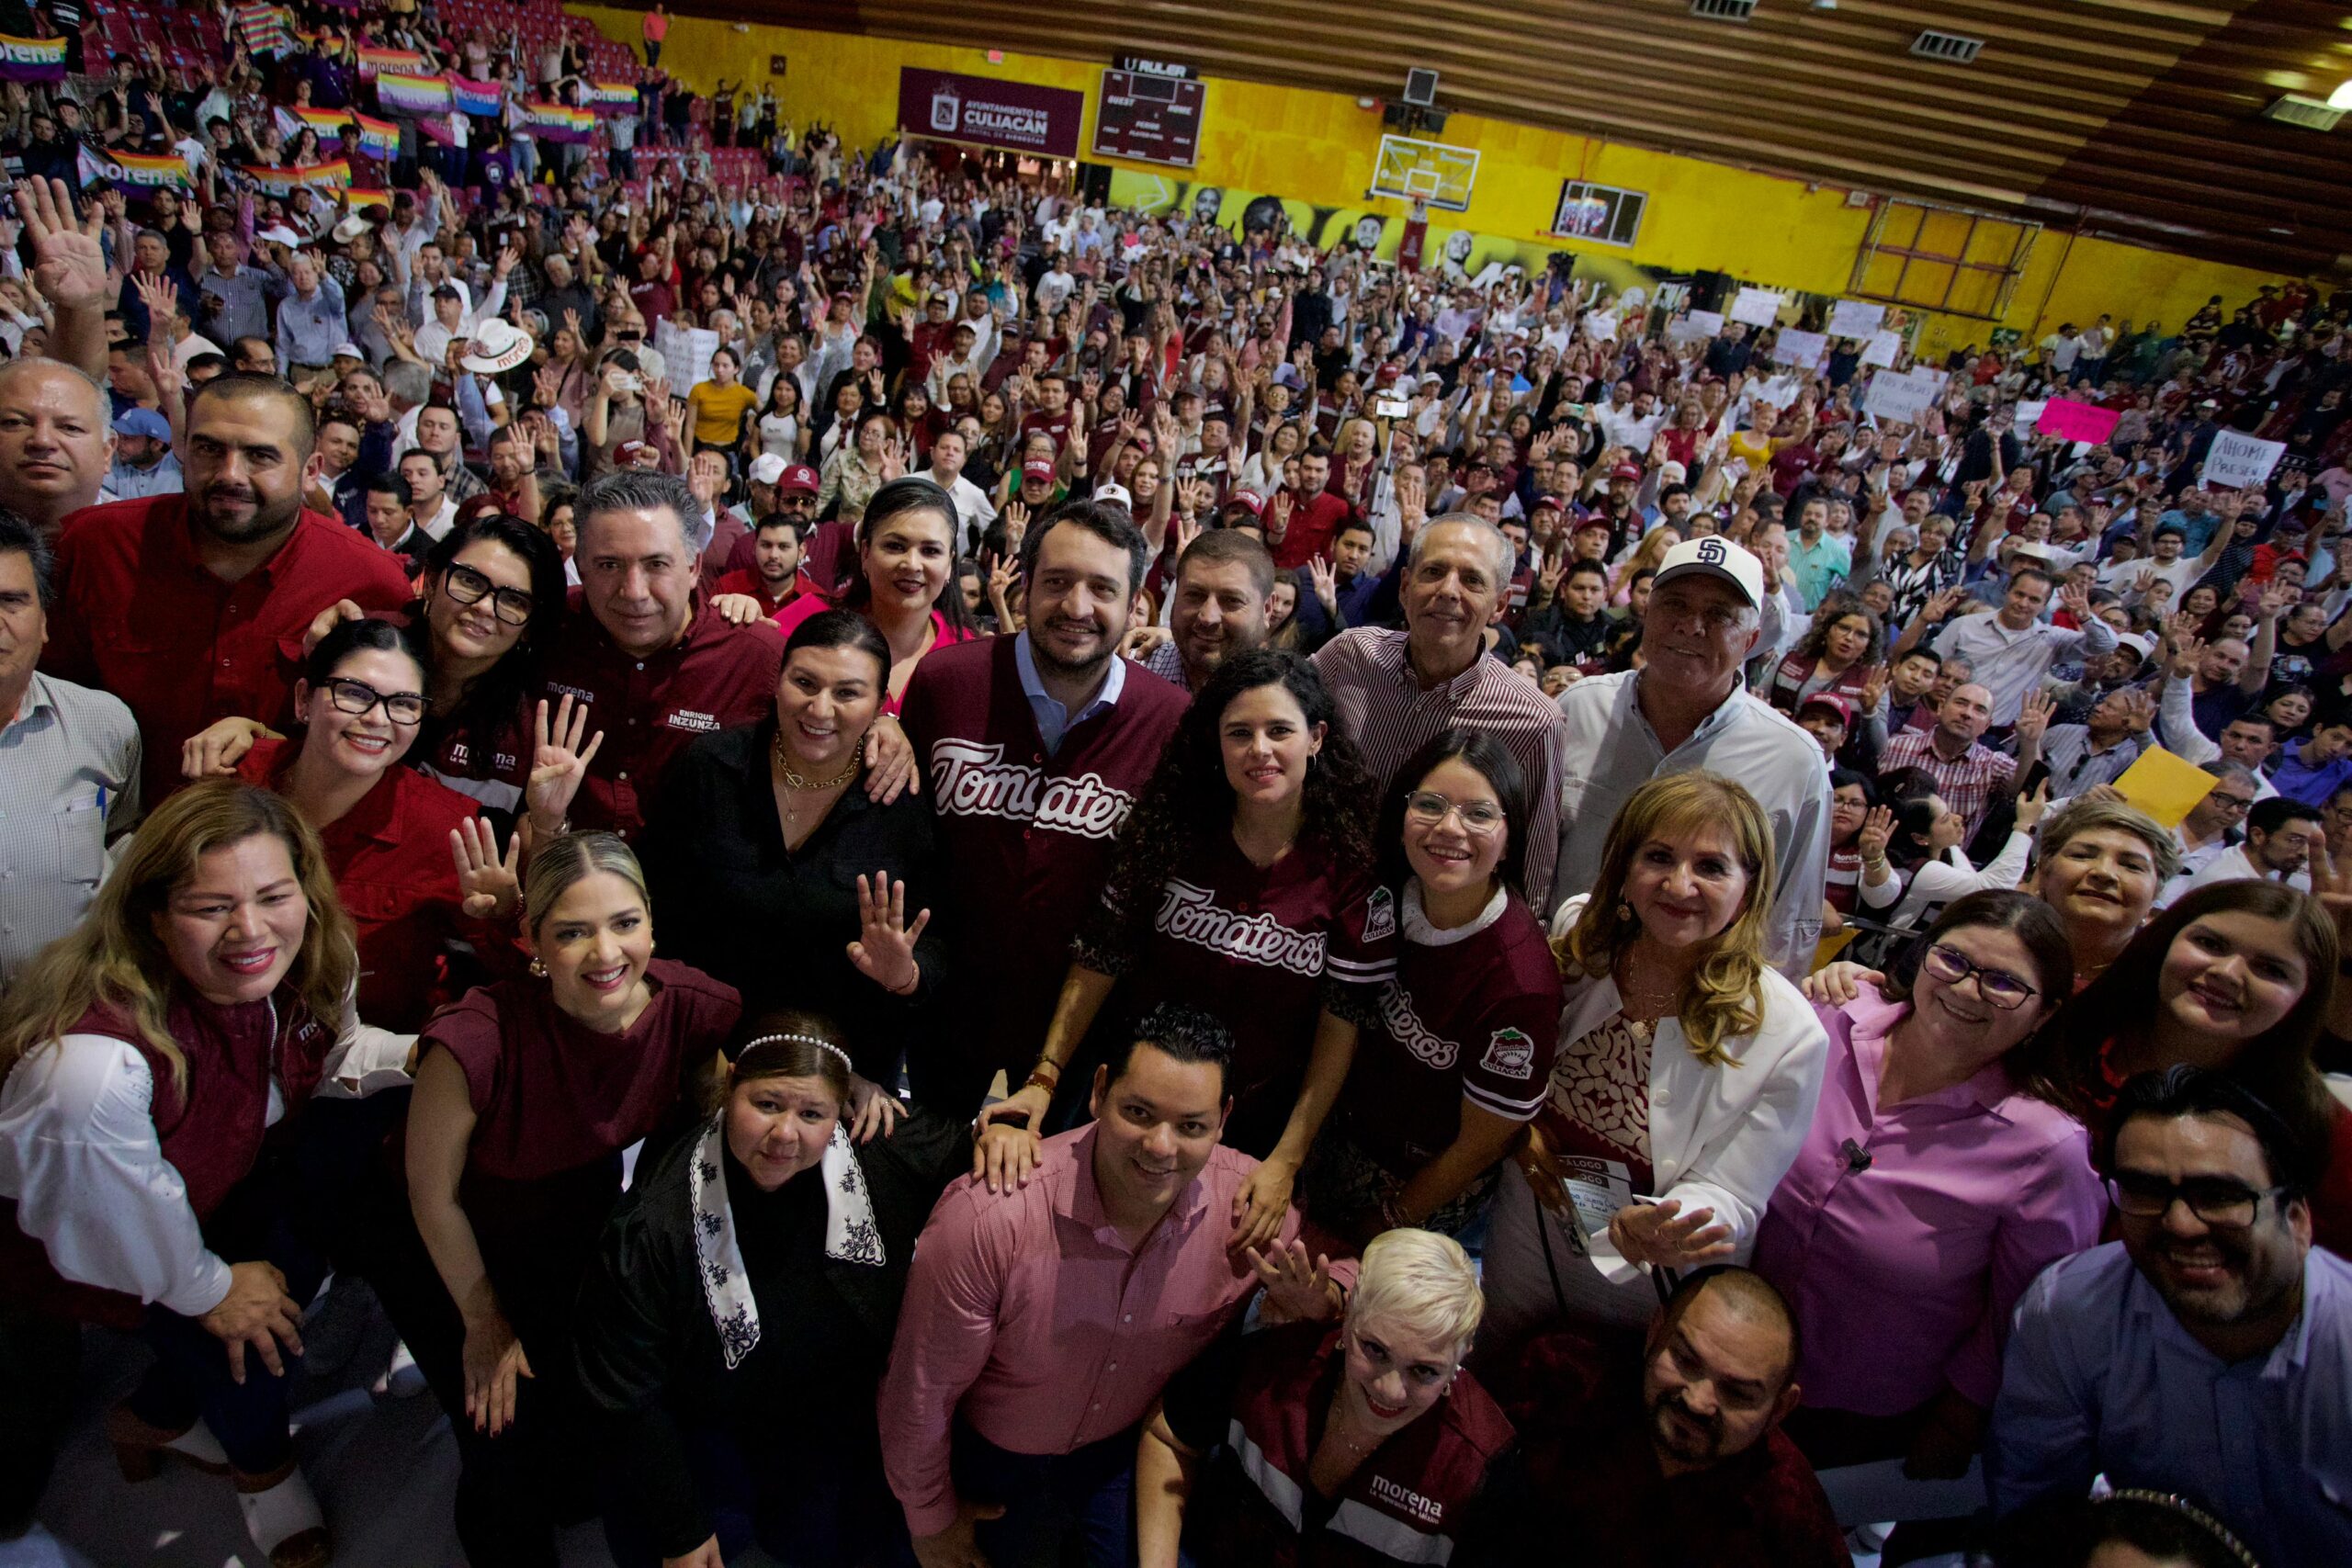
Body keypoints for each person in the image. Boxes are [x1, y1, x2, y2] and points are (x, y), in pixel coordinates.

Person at [0, 782, 413, 1568]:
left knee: (287, 1266)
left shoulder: (312, 957)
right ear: (153, 917)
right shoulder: (93, 1065)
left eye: (273, 894)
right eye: (210, 906)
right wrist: (211, 1288)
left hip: (199, 1189)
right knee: (247, 1333)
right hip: (76, 1246)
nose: (251, 929)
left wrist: (418, 1055)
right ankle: (264, 1465)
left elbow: (327, 1059)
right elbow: (110, 1229)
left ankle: (156, 1412)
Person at [878, 1003, 1340, 1568]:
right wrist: (931, 1523)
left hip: (1123, 1458)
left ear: (1224, 1120)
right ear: (1098, 1091)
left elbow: (1348, 1262)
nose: (1161, 1147)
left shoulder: (1245, 1202)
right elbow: (919, 1396)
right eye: (1139, 1113)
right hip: (987, 1456)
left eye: (1191, 1126)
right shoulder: (991, 1218)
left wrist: (1326, 1297)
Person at [390, 831, 742, 1567]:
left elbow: (727, 1104)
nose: (605, 953)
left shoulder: (693, 1007)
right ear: (532, 941)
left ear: (651, 920)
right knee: (502, 1438)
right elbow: (432, 1199)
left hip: (579, 1233)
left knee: (588, 1429)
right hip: (458, 1247)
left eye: (623, 923)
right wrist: (483, 1317)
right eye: (573, 932)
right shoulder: (475, 1042)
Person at [978, 650, 1387, 1211]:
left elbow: (1340, 1027)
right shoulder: (1168, 834)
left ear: (1316, 738)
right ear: (1215, 743)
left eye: (1280, 730)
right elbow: (1100, 955)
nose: (1259, 750)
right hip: (1139, 1114)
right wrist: (1044, 1078)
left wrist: (1285, 1162)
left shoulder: (1352, 868)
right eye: (1239, 732)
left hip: (1259, 1134)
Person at [573, 1016, 970, 1568]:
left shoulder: (878, 1143)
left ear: (843, 1112)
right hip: (708, 1412)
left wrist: (1003, 1133)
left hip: (830, 1409)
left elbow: (976, 1151)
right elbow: (626, 1392)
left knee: (826, 1545)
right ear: (730, 1085)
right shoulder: (654, 1225)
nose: (786, 1134)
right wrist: (681, 1532)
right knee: (677, 1539)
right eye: (766, 1105)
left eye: (812, 1114)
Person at [1754, 892, 2105, 1476]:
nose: (1967, 989)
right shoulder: (1831, 1018)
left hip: (1858, 1412)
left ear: (2045, 1014)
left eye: (2003, 983)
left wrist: (1959, 1421)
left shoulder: (2047, 1148)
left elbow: (2023, 1317)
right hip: (1728, 1350)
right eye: (1954, 961)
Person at [1482, 773, 1829, 1349]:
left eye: (1712, 867)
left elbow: (1734, 1194)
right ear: (1623, 867)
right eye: (1659, 857)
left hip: (1647, 1265)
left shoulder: (1787, 1033)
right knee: (1499, 1367)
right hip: (1525, 1222)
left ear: (1750, 886)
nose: (1679, 884)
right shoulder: (1582, 939)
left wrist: (1668, 1222)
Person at [893, 498, 1189, 1116]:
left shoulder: (1169, 718)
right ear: (1024, 586)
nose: (1077, 607)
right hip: (945, 1000)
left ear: (1137, 602)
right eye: (1057, 582)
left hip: (1083, 1023)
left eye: (1102, 588)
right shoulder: (948, 681)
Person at [1990, 1066, 2352, 1568]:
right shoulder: (2069, 1312)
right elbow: (2036, 1518)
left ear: (2297, 1219)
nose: (2180, 1223)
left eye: (2221, 1196)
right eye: (2146, 1191)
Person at [41, 373, 414, 810]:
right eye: (208, 449)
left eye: (260, 456)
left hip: (294, 849)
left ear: (311, 471)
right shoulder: (93, 546)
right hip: (112, 837)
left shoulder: (373, 579)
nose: (229, 474)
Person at [641, 610, 943, 1093]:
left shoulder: (902, 799)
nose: (820, 710)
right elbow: (654, 902)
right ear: (778, 681)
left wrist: (904, 975)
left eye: (847, 693)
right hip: (704, 1061)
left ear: (880, 705)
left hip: (845, 1078)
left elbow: (936, 939)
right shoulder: (710, 768)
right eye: (804, 683)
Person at [1313, 730, 1565, 1243]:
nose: (1450, 828)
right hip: (1333, 1144)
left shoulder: (1520, 982)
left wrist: (1386, 1222)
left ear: (1510, 836)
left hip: (1419, 1192)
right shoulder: (1380, 892)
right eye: (1430, 804)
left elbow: (1480, 1146)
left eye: (1479, 814)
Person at [1136, 1227, 1512, 1568]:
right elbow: (1171, 1435)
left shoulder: (1483, 1468)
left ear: (1462, 1358)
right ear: (1348, 1319)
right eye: (1375, 1349)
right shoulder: (1276, 1360)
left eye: (1425, 1371)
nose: (1388, 1389)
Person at [1554, 536, 1831, 974]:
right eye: (1676, 605)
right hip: (1560, 980)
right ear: (1647, 611)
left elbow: (1789, 924)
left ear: (1752, 638)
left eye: (1719, 615)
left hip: (1689, 1009)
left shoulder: (1794, 761)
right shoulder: (1580, 709)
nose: (1691, 625)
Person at [221, 617, 510, 1032]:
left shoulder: (447, 828)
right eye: (355, 694)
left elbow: (513, 973)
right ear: (304, 700)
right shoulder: (232, 776)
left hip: (361, 1064)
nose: (378, 719)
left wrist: (505, 913)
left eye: (405, 704)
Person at [1456, 1268, 1846, 1568]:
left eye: (1738, 1393)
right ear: (1655, 1332)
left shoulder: (1788, 1513)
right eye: (1685, 1361)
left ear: (1780, 1408)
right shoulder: (1559, 1375)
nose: (1698, 1401)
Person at [1316, 514, 1566, 910]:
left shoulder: (1532, 722)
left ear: (1500, 604)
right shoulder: (1348, 655)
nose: (1448, 590)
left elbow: (1530, 864)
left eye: (1472, 580)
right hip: (1319, 896)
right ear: (1404, 586)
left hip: (1435, 928)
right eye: (1433, 571)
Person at [532, 469, 786, 839]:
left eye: (656, 564)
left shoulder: (755, 654)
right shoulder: (548, 628)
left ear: (694, 567)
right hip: (567, 876)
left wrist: (884, 727)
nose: (633, 591)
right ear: (581, 569)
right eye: (608, 565)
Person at [0, 508, 141, 988]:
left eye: (11, 601)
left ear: (43, 620)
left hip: (65, 1026)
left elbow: (122, 836)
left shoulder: (104, 726)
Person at [775, 477, 978, 712]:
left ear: (950, 565)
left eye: (930, 551)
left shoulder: (967, 654)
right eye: (895, 546)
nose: (912, 564)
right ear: (865, 554)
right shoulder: (807, 619)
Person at [1928, 565, 2117, 728]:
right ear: (2007, 592)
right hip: (1942, 720)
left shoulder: (2051, 638)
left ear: (2044, 606)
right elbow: (1931, 670)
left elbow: (2106, 644)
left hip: (1993, 733)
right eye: (2019, 594)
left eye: (2034, 600)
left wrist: (2085, 617)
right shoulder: (1964, 625)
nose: (2023, 604)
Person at [1136, 527, 1274, 693]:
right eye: (1194, 595)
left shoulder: (1288, 699)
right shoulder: (1126, 677)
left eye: (1231, 600)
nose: (1208, 618)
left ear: (1267, 609)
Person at [0, 359, 115, 537]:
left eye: (70, 428)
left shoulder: (146, 536)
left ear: (107, 451)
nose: (42, 441)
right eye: (14, 423)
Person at [2180, 795, 2324, 893]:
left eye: (2308, 843)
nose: (2305, 853)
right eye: (2295, 840)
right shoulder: (2228, 884)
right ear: (2258, 836)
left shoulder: (2257, 865)